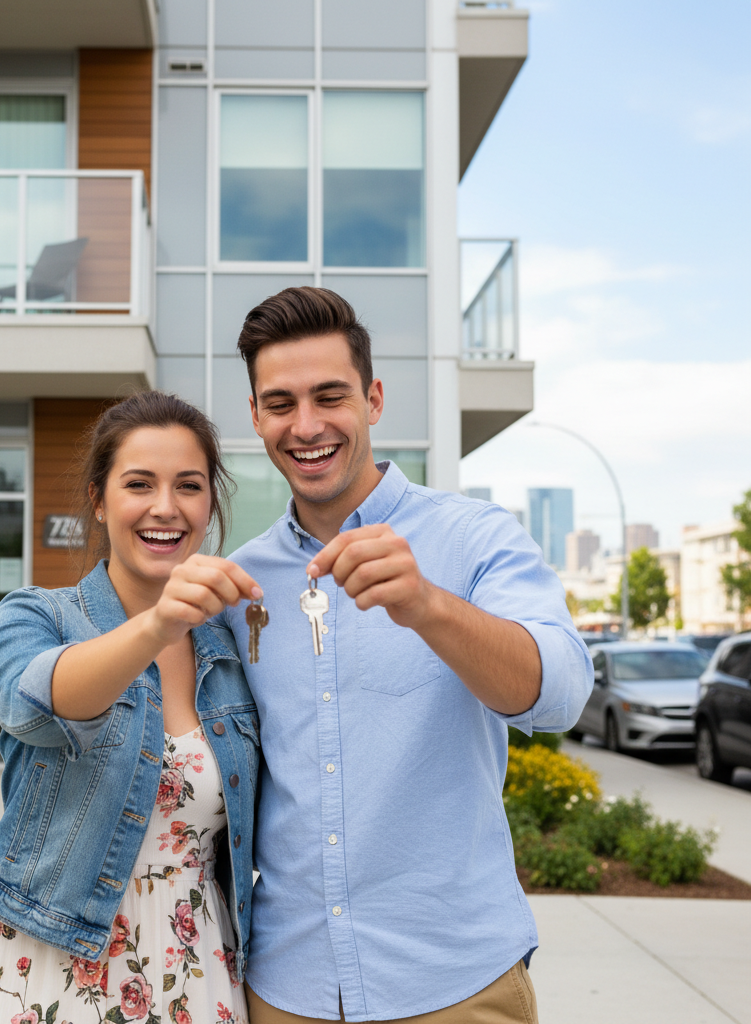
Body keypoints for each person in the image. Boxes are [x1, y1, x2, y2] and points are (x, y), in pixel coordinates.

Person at [219, 287, 593, 1024]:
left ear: (374, 399)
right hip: (286, 989)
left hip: (455, 983)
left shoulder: (476, 539)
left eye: (331, 396)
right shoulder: (242, 583)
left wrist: (428, 606)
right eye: (281, 403)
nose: (308, 425)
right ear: (256, 416)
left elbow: (561, 695)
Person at [0, 391, 263, 1024]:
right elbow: (36, 701)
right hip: (63, 962)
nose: (165, 507)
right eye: (138, 484)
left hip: (198, 959)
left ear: (210, 503)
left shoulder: (228, 646)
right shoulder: (37, 615)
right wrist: (157, 625)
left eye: (189, 485)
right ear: (99, 501)